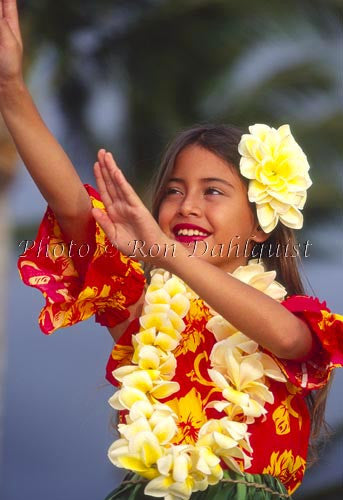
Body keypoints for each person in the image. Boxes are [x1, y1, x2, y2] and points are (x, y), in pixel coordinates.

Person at [1, 1, 342, 499]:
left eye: (214, 191)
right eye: (174, 190)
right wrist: (11, 90)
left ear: (261, 227)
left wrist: (161, 248)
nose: (187, 206)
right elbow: (73, 209)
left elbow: (291, 343)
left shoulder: (290, 319)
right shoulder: (143, 314)